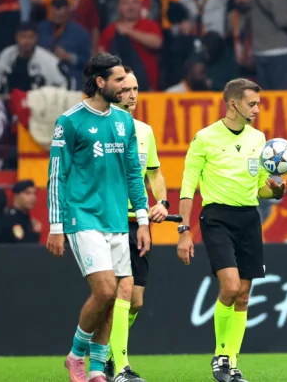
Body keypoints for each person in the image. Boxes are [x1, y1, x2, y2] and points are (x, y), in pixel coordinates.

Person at [178, 78, 287, 382]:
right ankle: (221, 356)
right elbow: (188, 188)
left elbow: (260, 189)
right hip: (216, 218)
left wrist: (276, 191)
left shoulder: (259, 138)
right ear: (233, 104)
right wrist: (184, 230)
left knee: (243, 295)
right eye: (251, 103)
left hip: (248, 219)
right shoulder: (204, 138)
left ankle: (232, 361)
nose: (257, 109)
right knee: (229, 287)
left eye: (258, 103)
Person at [47, 53, 151, 382]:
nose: (126, 87)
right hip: (83, 216)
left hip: (119, 221)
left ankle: (96, 369)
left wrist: (144, 220)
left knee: (117, 297)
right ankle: (77, 355)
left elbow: (135, 174)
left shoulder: (124, 123)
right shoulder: (70, 121)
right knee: (105, 290)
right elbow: (56, 175)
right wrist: (56, 225)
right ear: (100, 82)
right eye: (119, 80)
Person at [107, 69, 168, 382]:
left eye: (136, 89)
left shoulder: (145, 131)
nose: (132, 95)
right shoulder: (100, 127)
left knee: (137, 301)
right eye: (126, 89)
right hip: (110, 221)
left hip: (140, 223)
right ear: (114, 92)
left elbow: (154, 174)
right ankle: (121, 368)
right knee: (123, 289)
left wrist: (162, 203)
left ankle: (105, 353)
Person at [2, 179, 41, 244]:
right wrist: (34, 234)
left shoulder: (28, 219)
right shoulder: (9, 218)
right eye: (27, 193)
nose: (33, 197)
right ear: (16, 195)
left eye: (34, 193)